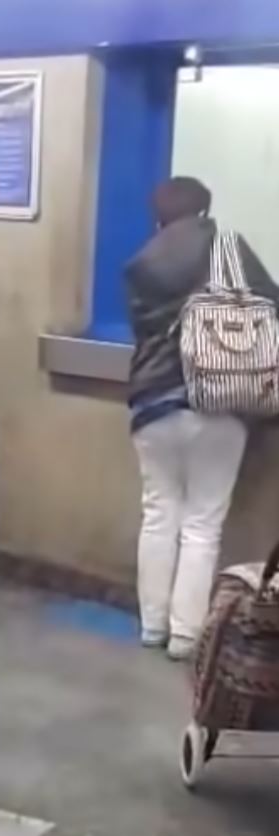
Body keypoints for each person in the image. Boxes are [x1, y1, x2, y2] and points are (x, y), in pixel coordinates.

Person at [125, 176, 279, 661]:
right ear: (206, 212)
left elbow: (142, 329)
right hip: (219, 399)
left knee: (158, 512)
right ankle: (186, 635)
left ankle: (151, 624)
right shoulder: (229, 248)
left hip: (153, 402)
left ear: (159, 217)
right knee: (202, 523)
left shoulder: (141, 263)